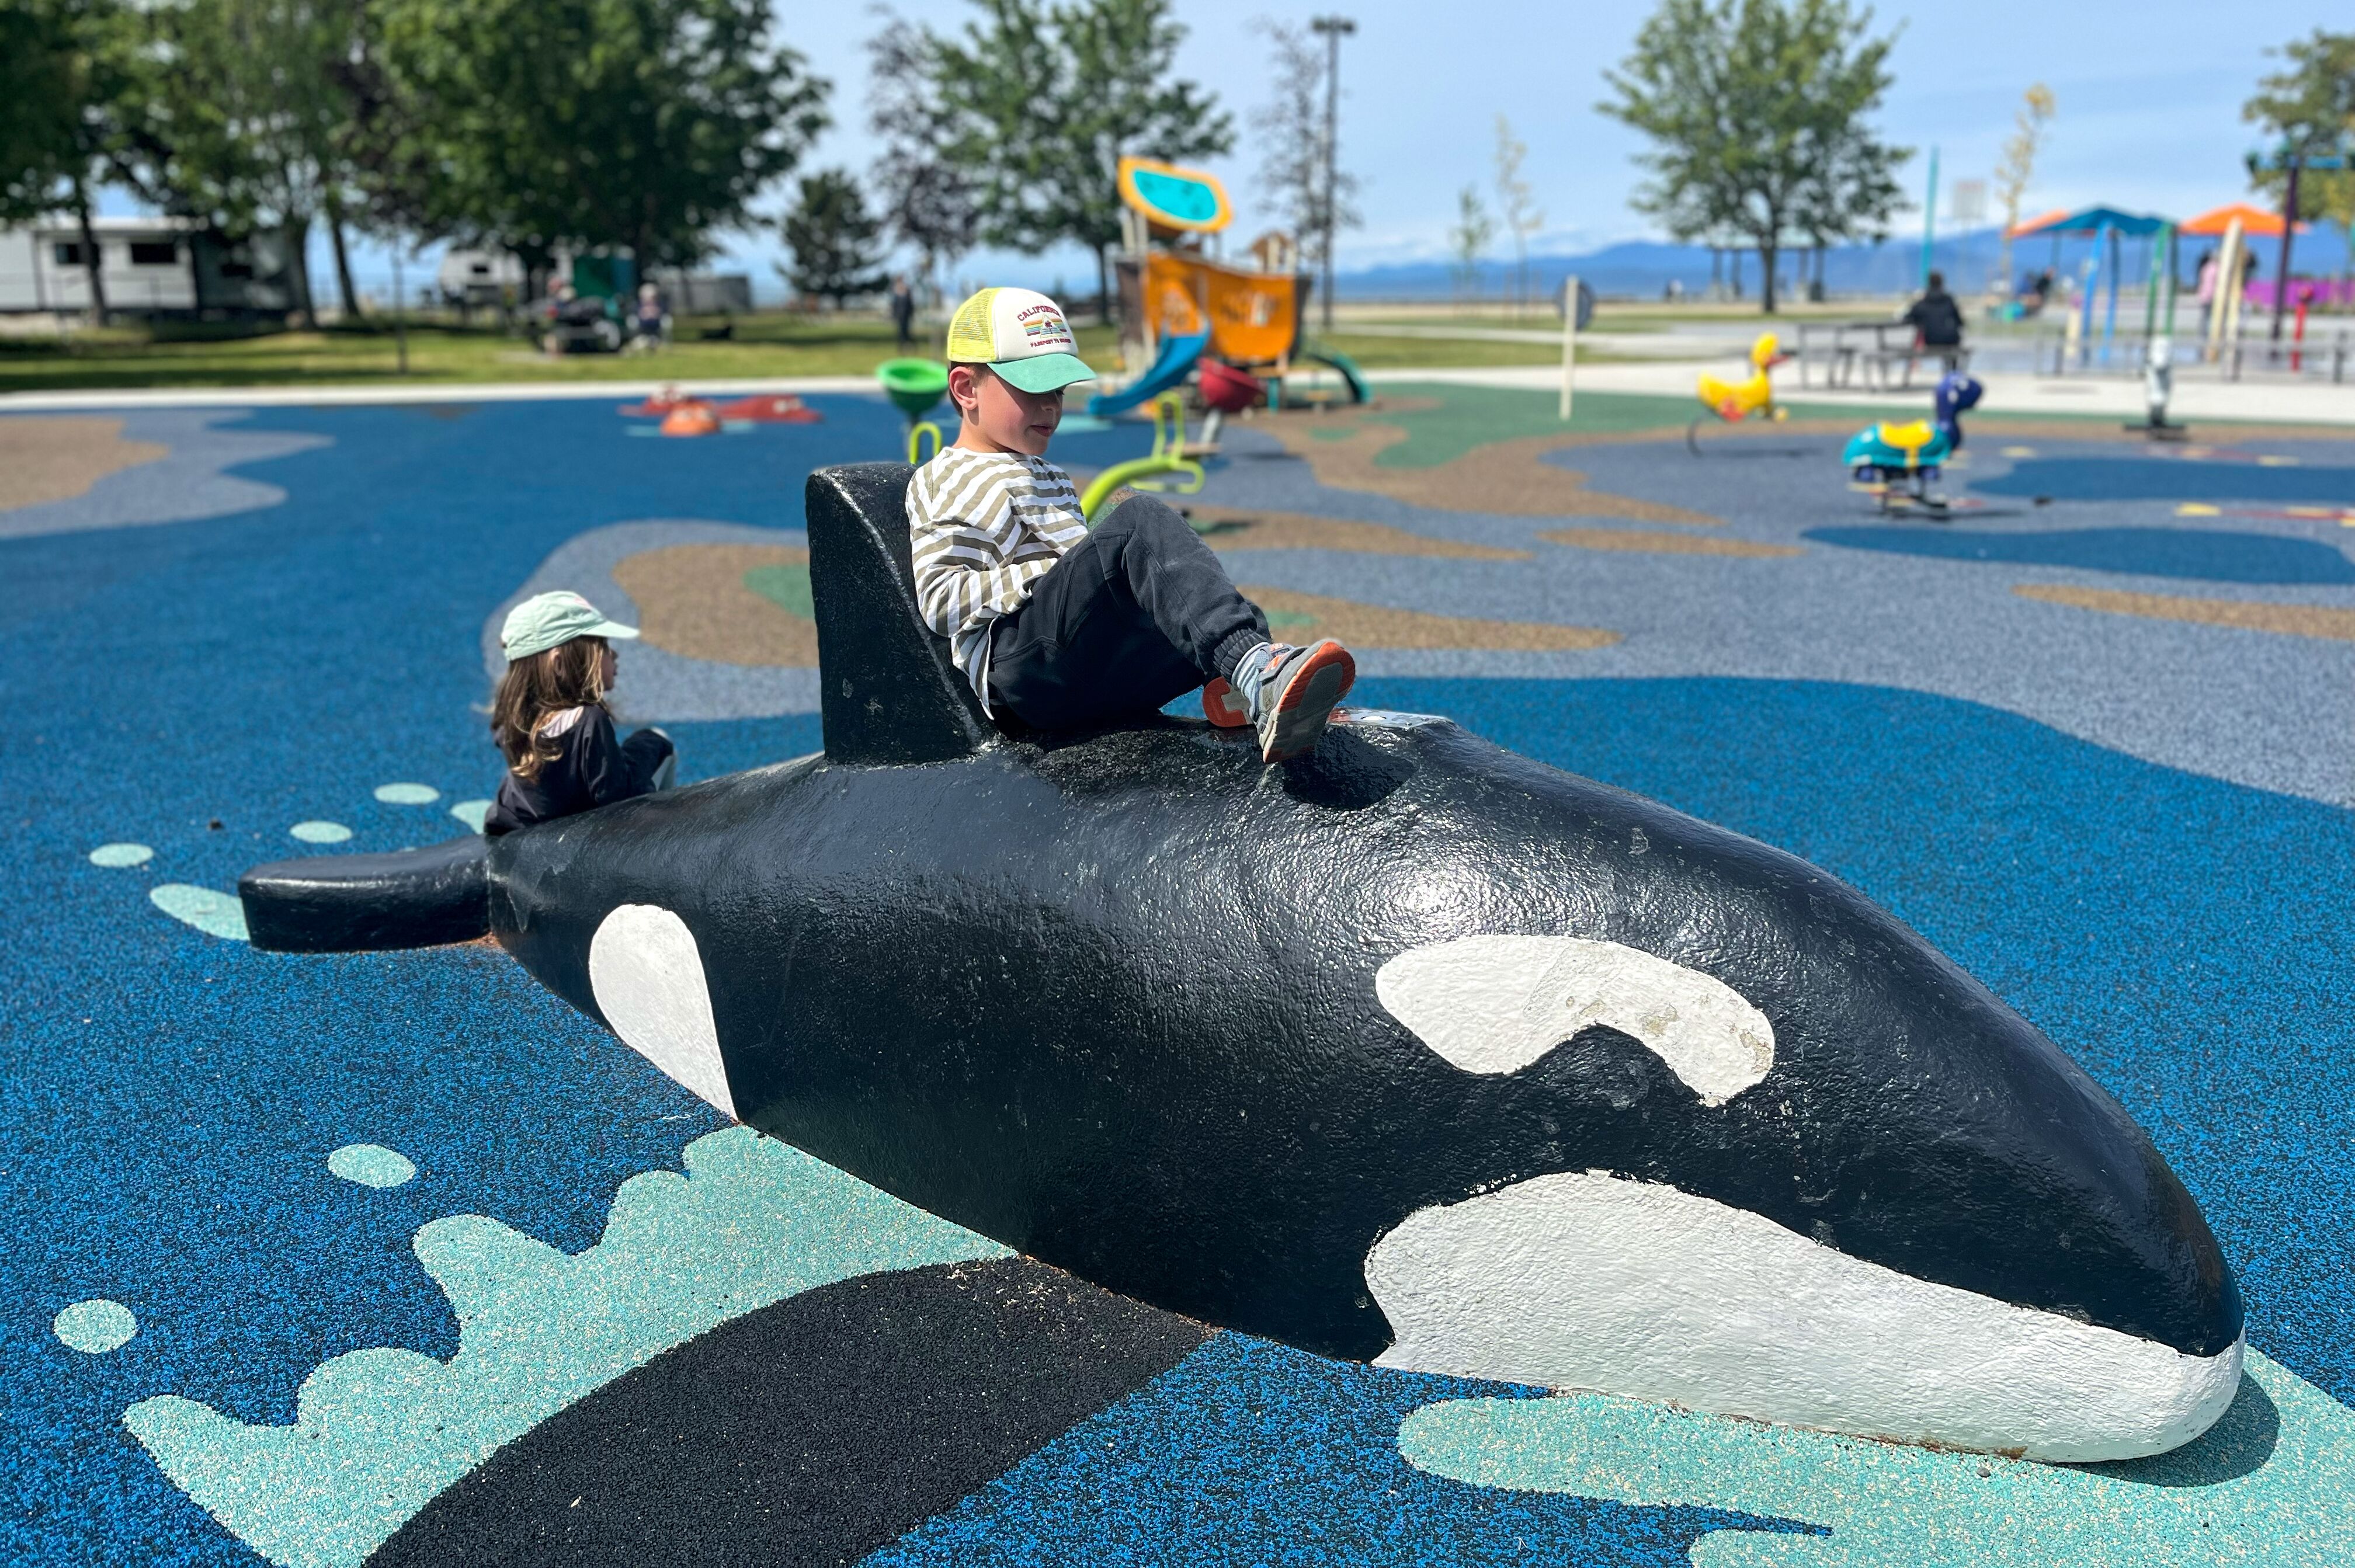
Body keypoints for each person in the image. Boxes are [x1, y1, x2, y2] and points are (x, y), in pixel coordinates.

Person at [905, 286, 1355, 764]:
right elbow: (940, 600)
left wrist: (1092, 572)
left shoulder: (1049, 475)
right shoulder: (945, 478)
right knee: (1138, 519)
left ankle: (1253, 689)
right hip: (1021, 674)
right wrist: (1047, 576)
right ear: (965, 388)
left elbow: (1086, 582)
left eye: (1057, 391)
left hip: (1080, 668)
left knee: (1200, 597)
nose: (1051, 407)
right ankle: (1255, 675)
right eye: (1033, 389)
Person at [482, 591, 676, 837]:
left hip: (514, 819)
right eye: (603, 646)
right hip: (579, 826)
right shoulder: (588, 721)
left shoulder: (512, 719)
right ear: (560, 663)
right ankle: (670, 836)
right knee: (658, 741)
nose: (614, 655)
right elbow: (619, 800)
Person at [1904, 271, 1965, 349]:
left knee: (1919, 333)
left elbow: (1909, 317)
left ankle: (1913, 360)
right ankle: (1952, 361)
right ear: (1942, 283)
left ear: (1929, 283)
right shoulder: (1949, 301)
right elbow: (1960, 322)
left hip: (1930, 339)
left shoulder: (1922, 303)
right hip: (1950, 340)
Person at [889, 274, 917, 351]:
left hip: (906, 315)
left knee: (906, 331)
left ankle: (908, 345)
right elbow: (895, 305)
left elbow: (910, 304)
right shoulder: (896, 290)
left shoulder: (906, 290)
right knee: (901, 332)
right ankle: (902, 345)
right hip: (900, 315)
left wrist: (911, 314)